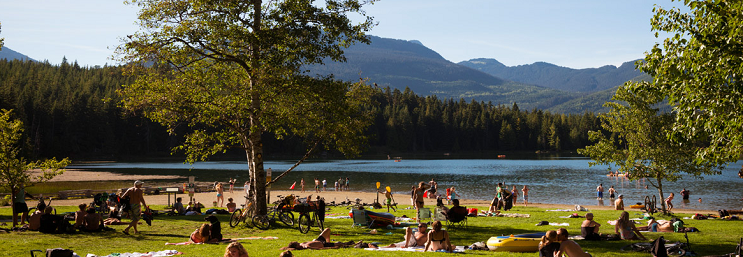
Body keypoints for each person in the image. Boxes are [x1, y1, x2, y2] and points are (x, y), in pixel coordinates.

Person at [281, 228, 355, 250]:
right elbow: (319, 249)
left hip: (318, 240)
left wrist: (313, 240)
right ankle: (351, 245)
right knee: (340, 244)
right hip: (323, 244)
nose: (298, 242)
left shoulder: (302, 244)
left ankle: (329, 241)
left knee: (327, 229)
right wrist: (331, 247)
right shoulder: (306, 247)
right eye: (297, 243)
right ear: (296, 246)